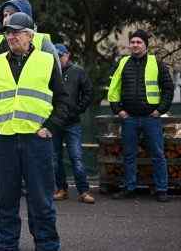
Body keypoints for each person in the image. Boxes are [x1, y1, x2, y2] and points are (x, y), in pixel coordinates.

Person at [0, 0, 58, 251]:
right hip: (1, 135)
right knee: (2, 193)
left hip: (34, 136)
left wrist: (50, 124)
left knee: (39, 196)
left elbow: (59, 92)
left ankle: (46, 243)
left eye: (13, 15)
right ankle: (1, 238)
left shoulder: (44, 47)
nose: (7, 20)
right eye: (5, 16)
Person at [107, 29, 174, 203]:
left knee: (158, 154)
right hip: (129, 118)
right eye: (133, 42)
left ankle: (161, 189)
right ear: (130, 44)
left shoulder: (157, 63)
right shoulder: (123, 63)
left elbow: (168, 88)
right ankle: (130, 188)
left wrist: (160, 110)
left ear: (145, 45)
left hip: (151, 118)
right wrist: (118, 110)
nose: (135, 45)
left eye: (139, 42)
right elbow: (113, 88)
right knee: (129, 155)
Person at [51, 44, 95, 204]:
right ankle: (61, 190)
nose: (58, 58)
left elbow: (89, 92)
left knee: (76, 157)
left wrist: (78, 109)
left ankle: (84, 191)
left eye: (60, 55)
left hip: (71, 122)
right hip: (54, 123)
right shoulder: (50, 72)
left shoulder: (78, 71)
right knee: (55, 159)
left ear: (67, 55)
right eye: (55, 56)